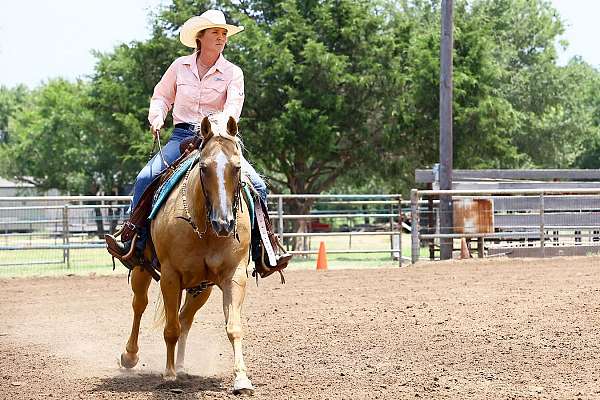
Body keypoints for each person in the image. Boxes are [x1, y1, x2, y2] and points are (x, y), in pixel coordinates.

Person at [105, 9, 291, 276]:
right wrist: (157, 116)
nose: (221, 37)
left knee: (258, 185)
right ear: (200, 37)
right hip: (181, 137)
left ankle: (265, 251)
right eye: (215, 32)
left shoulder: (232, 72)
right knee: (145, 176)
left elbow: (233, 107)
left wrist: (217, 129)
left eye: (224, 33)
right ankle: (133, 241)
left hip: (218, 139)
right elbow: (161, 95)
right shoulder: (179, 66)